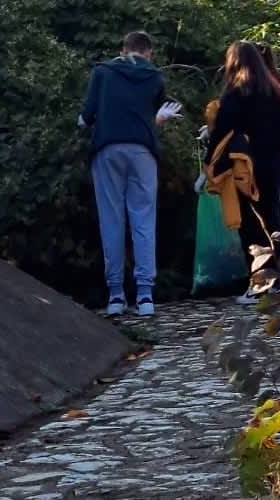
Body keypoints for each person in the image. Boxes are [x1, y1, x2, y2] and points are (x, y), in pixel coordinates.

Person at [79, 31, 183, 317]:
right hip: (143, 152)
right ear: (148, 52)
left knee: (111, 219)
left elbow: (84, 118)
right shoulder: (154, 77)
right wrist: (157, 121)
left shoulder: (102, 72)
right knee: (143, 219)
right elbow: (152, 119)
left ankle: (115, 295)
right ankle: (145, 295)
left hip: (107, 149)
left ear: (123, 50)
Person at [205, 41, 280, 305]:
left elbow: (223, 131)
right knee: (271, 221)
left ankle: (258, 284)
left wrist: (210, 164)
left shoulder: (235, 93)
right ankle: (278, 280)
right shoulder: (274, 91)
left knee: (249, 226)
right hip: (273, 164)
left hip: (245, 166)